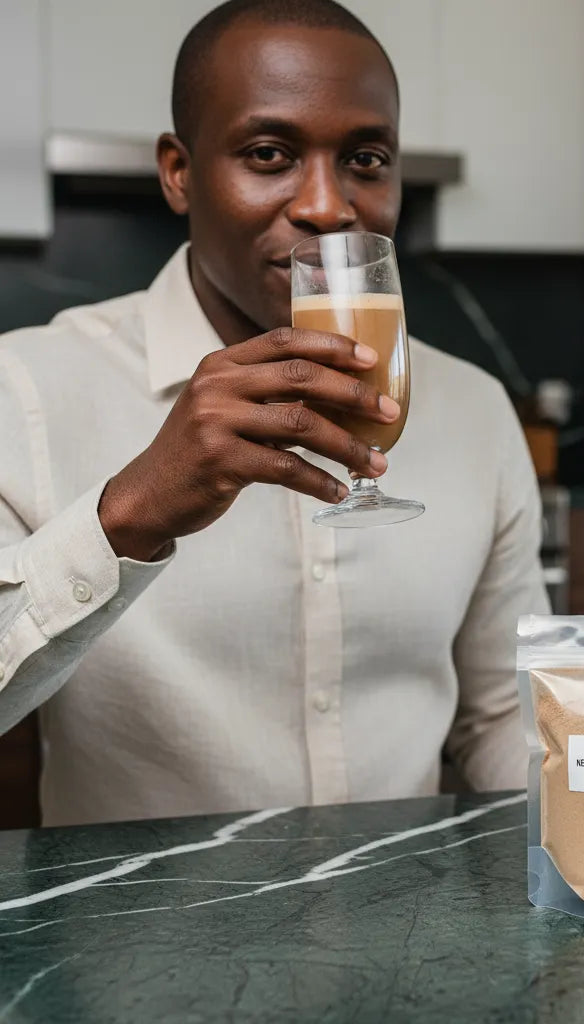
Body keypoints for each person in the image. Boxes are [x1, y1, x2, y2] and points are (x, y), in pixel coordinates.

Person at [0, 0, 548, 826]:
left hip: (409, 941)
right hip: (138, 946)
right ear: (180, 172)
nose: (329, 205)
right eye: (269, 154)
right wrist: (130, 515)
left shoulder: (474, 408)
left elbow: (502, 717)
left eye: (366, 158)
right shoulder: (28, 388)